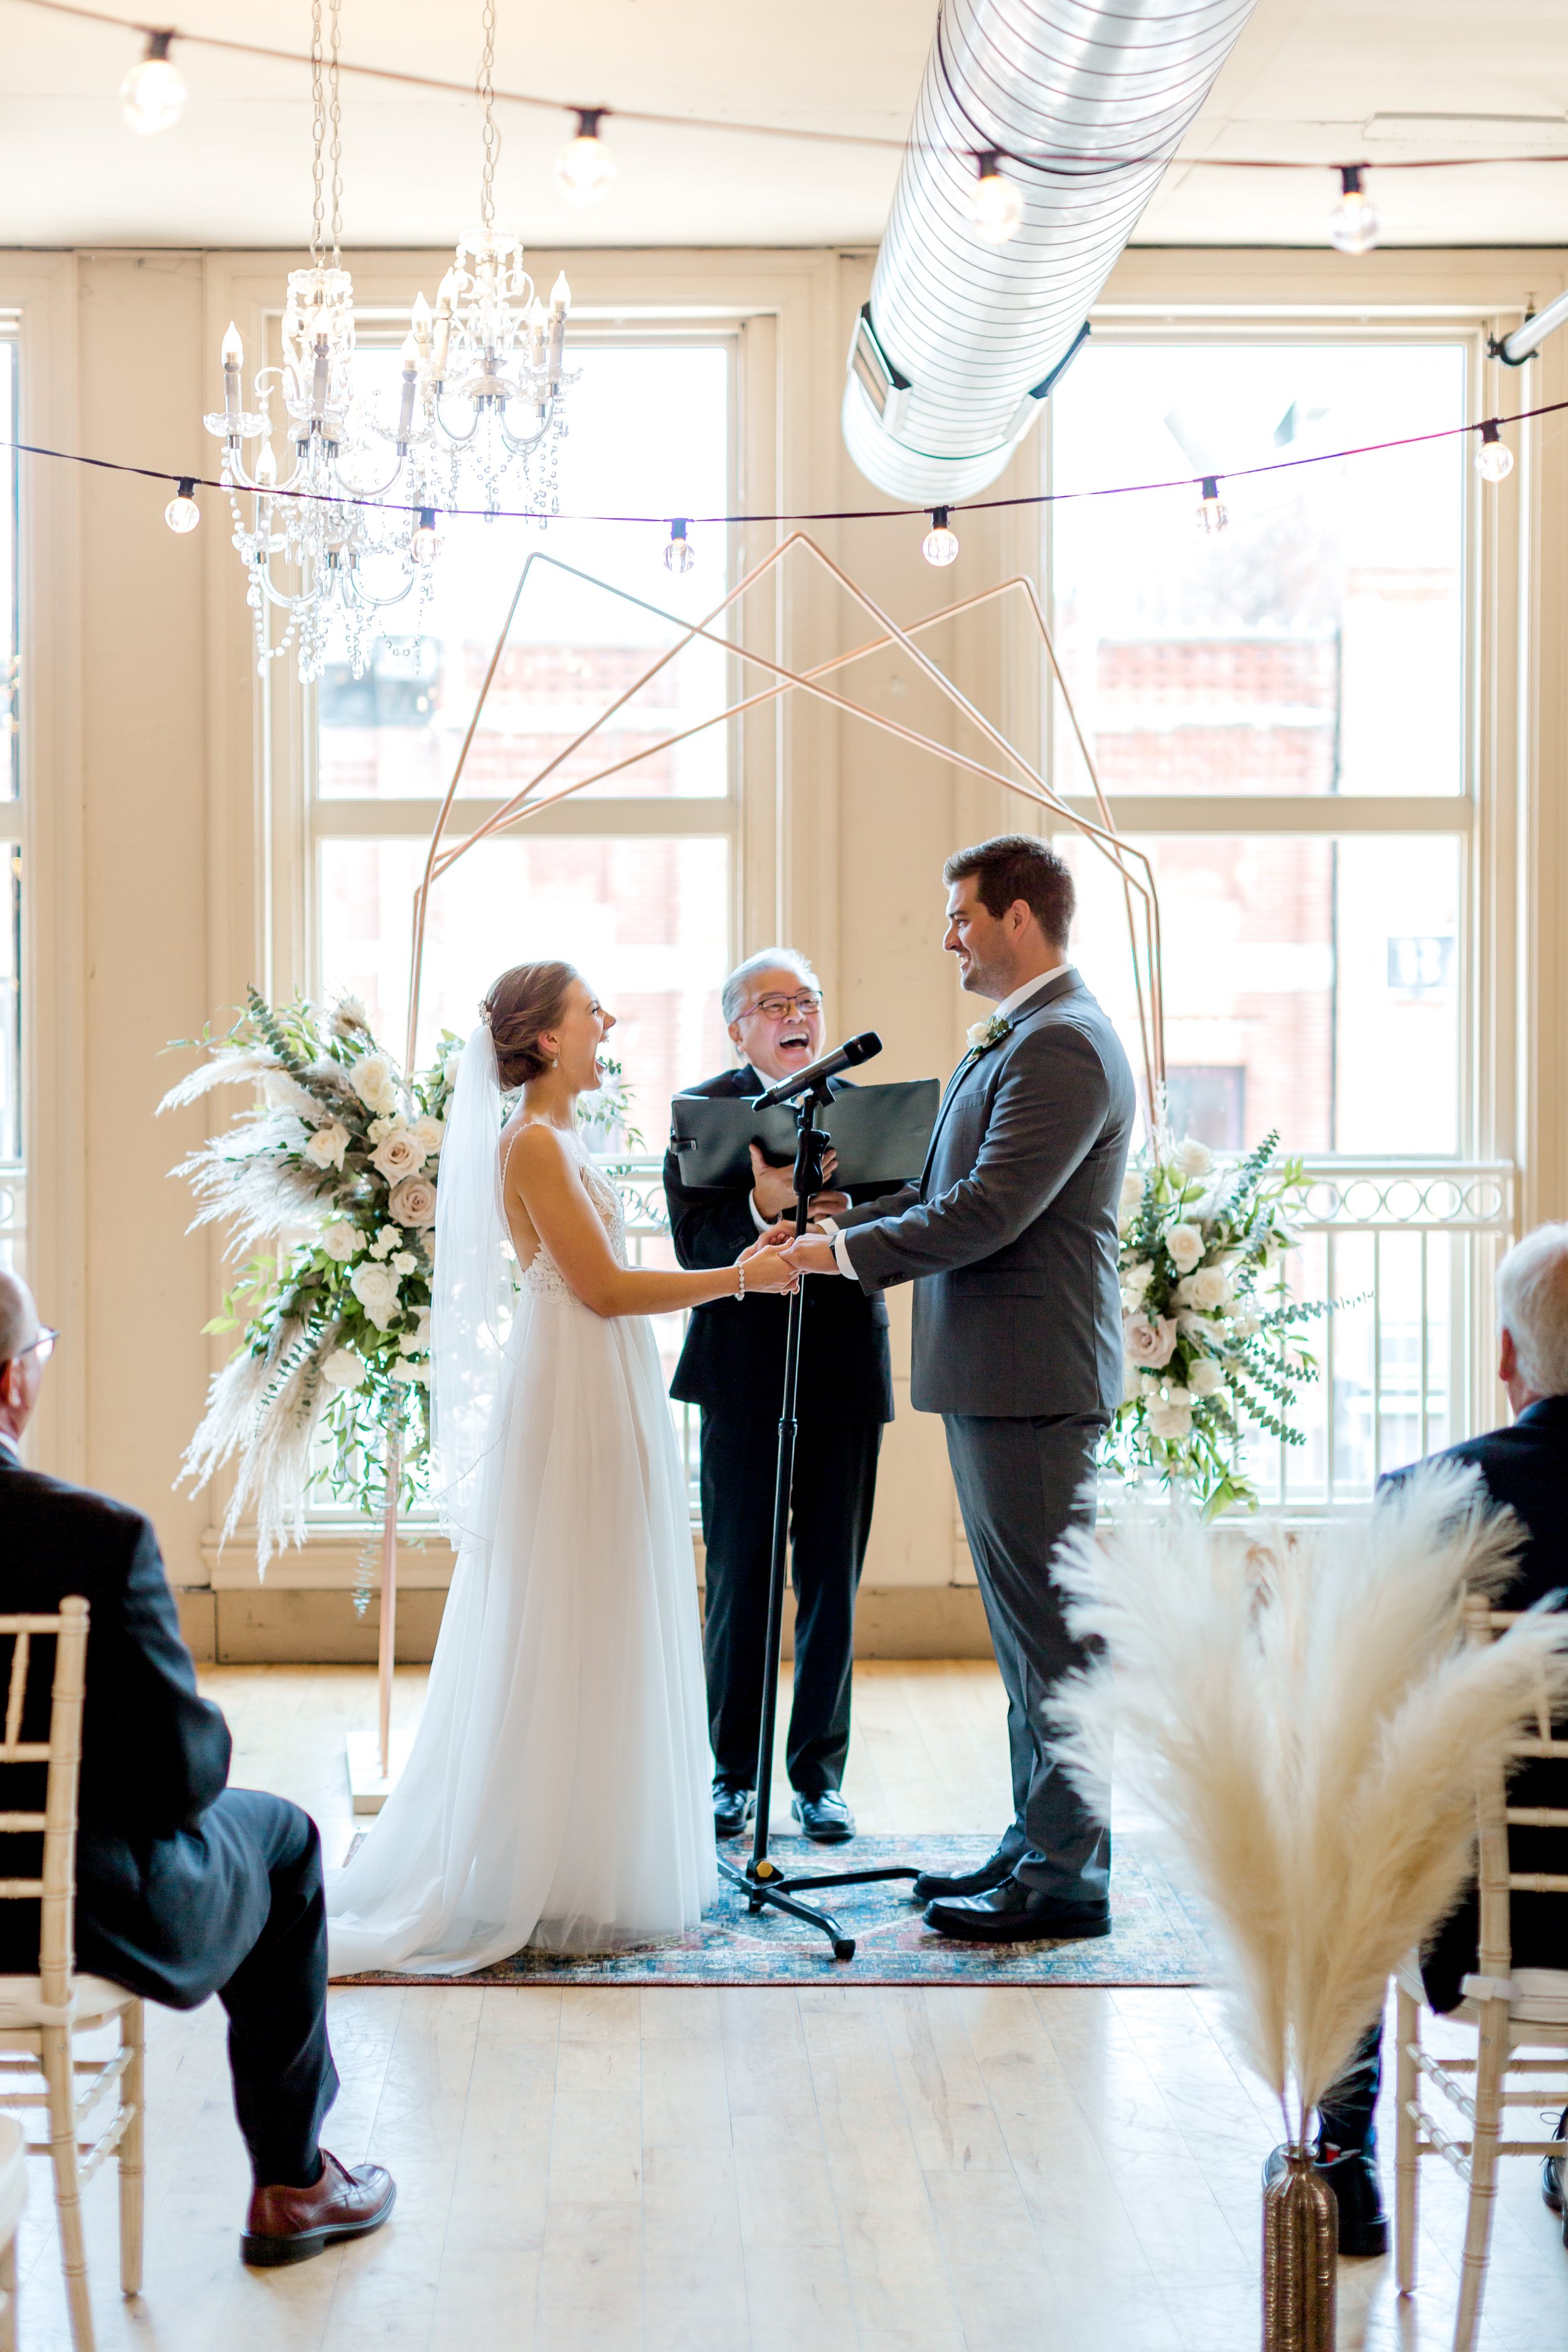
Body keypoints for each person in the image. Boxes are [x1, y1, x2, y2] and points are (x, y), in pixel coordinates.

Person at [327, 962, 800, 1972]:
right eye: (593, 1012)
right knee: (570, 1605)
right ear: (544, 1039)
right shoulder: (533, 1143)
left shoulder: (567, 1136)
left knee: (608, 1606)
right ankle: (542, 1862)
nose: (609, 1022)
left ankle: (594, 1855)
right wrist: (746, 1279)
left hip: (602, 1381)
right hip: (574, 1391)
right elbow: (606, 1286)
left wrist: (754, 1241)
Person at [0, 1268, 394, 2267]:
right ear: (12, 1381)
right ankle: (296, 2184)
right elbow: (181, 1779)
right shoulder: (95, 1539)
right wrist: (207, 1726)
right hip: (58, 1903)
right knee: (285, 1837)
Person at [782, 835, 1135, 1943]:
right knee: (1027, 1632)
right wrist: (837, 1225)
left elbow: (990, 1210)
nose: (947, 937)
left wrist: (837, 1259)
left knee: (1054, 1633)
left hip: (1033, 1377)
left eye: (960, 916)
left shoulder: (1065, 1043)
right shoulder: (1027, 1035)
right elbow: (951, 1190)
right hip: (998, 1373)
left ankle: (1068, 1877)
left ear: (1019, 916)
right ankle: (1041, 1839)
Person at [1268, 1221, 1568, 2258]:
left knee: (1349, 1793)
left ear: (1506, 1356)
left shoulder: (1430, 1501)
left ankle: (1342, 2155)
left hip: (1489, 1917)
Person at [665, 949, 894, 1845]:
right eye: (774, 1002)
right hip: (743, 1376)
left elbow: (910, 1204)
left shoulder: (867, 1108)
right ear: (738, 1026)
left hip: (843, 1367)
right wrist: (764, 1216)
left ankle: (819, 1780)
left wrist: (841, 1224)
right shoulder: (707, 1112)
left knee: (831, 1580)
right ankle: (732, 1774)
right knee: (742, 1579)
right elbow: (694, 1244)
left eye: (808, 1000)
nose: (796, 1013)